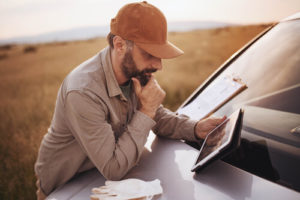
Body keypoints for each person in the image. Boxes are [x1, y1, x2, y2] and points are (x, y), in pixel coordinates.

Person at [34, 1, 226, 199]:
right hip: (66, 188)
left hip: (103, 180)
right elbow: (114, 168)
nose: (158, 65)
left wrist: (195, 129)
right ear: (119, 45)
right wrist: (147, 111)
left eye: (160, 55)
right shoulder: (83, 92)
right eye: (150, 54)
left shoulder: (134, 71)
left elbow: (156, 115)